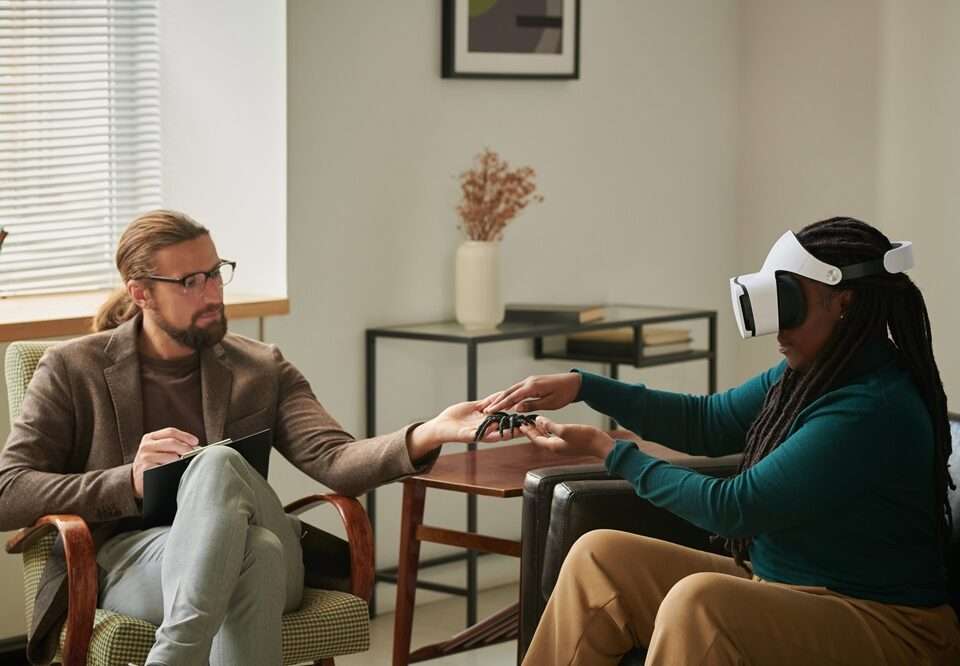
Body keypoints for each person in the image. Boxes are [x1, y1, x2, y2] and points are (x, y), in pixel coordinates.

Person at [0, 210, 497, 666]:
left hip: (273, 567)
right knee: (254, 551)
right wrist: (127, 480)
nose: (214, 294)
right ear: (141, 293)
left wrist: (432, 431)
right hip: (137, 560)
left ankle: (176, 656)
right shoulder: (73, 368)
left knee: (215, 465)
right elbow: (9, 491)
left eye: (215, 273)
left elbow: (334, 458)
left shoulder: (259, 366)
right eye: (190, 282)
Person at [481, 217, 960, 665]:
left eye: (789, 303)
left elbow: (735, 508)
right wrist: (585, 386)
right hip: (785, 587)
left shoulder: (871, 406)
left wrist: (607, 450)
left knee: (700, 605)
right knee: (599, 558)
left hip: (890, 625)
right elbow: (706, 422)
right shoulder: (812, 373)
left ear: (845, 302)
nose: (778, 329)